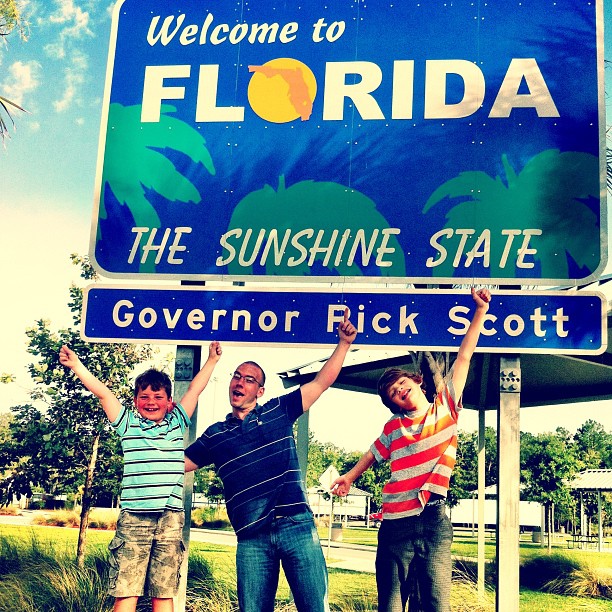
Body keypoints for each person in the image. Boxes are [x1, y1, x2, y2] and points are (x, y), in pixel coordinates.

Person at [184, 310, 357, 612]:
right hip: (252, 537)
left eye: (249, 379)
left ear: (260, 391)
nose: (240, 382)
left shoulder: (280, 410)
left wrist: (342, 344)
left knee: (315, 607)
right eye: (236, 376)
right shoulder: (215, 435)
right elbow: (175, 464)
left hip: (297, 527)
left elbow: (321, 382)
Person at [331, 288, 491, 612]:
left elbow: (464, 357)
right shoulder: (394, 427)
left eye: (401, 384)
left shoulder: (445, 407)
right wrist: (348, 477)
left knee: (435, 604)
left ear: (417, 381)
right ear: (393, 404)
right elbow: (372, 454)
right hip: (395, 521)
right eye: (393, 393)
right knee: (390, 605)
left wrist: (480, 313)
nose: (399, 391)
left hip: (433, 519)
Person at [59, 341, 222, 612]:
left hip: (170, 519)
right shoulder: (127, 424)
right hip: (134, 519)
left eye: (158, 397)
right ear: (135, 401)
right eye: (144, 397)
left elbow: (195, 389)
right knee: (126, 594)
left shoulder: (177, 421)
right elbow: (103, 394)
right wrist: (76, 365)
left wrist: (212, 361)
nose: (151, 402)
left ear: (169, 401)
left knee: (164, 594)